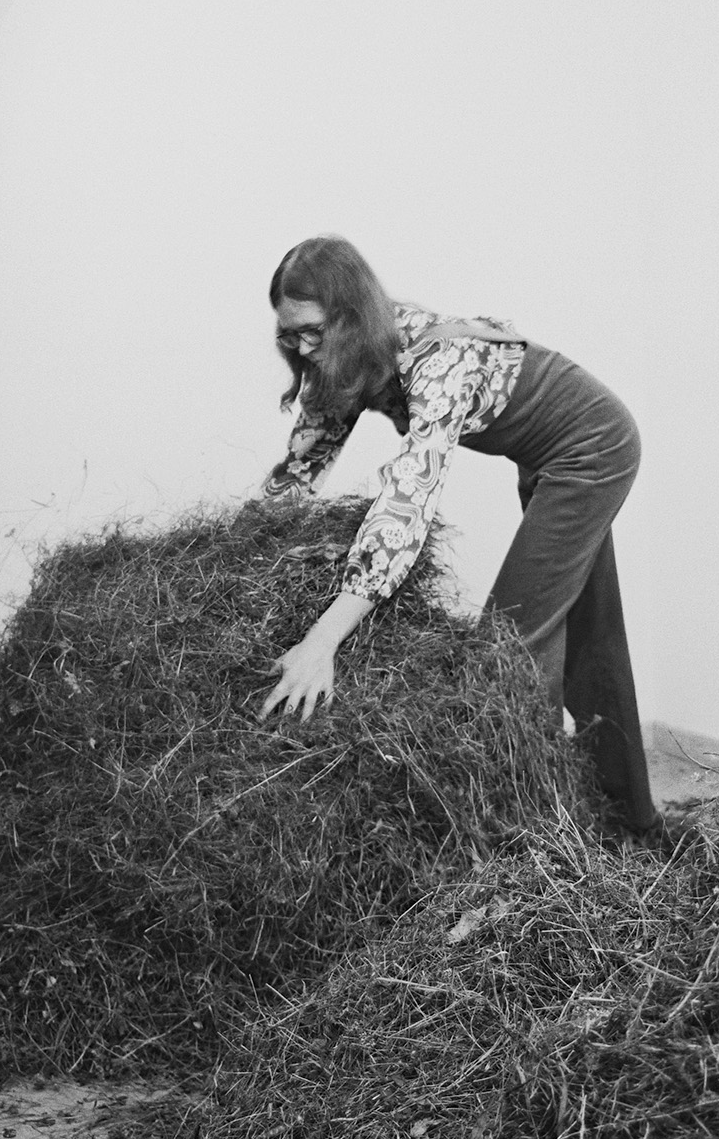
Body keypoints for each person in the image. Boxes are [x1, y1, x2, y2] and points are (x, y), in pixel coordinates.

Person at [259, 236, 659, 833]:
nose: (304, 348)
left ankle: (536, 834)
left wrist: (322, 642)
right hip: (551, 458)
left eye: (313, 331)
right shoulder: (352, 353)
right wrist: (249, 542)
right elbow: (301, 465)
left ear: (350, 317)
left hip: (593, 450)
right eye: (290, 335)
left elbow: (407, 504)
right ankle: (631, 821)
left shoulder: (437, 359)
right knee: (589, 629)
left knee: (510, 643)